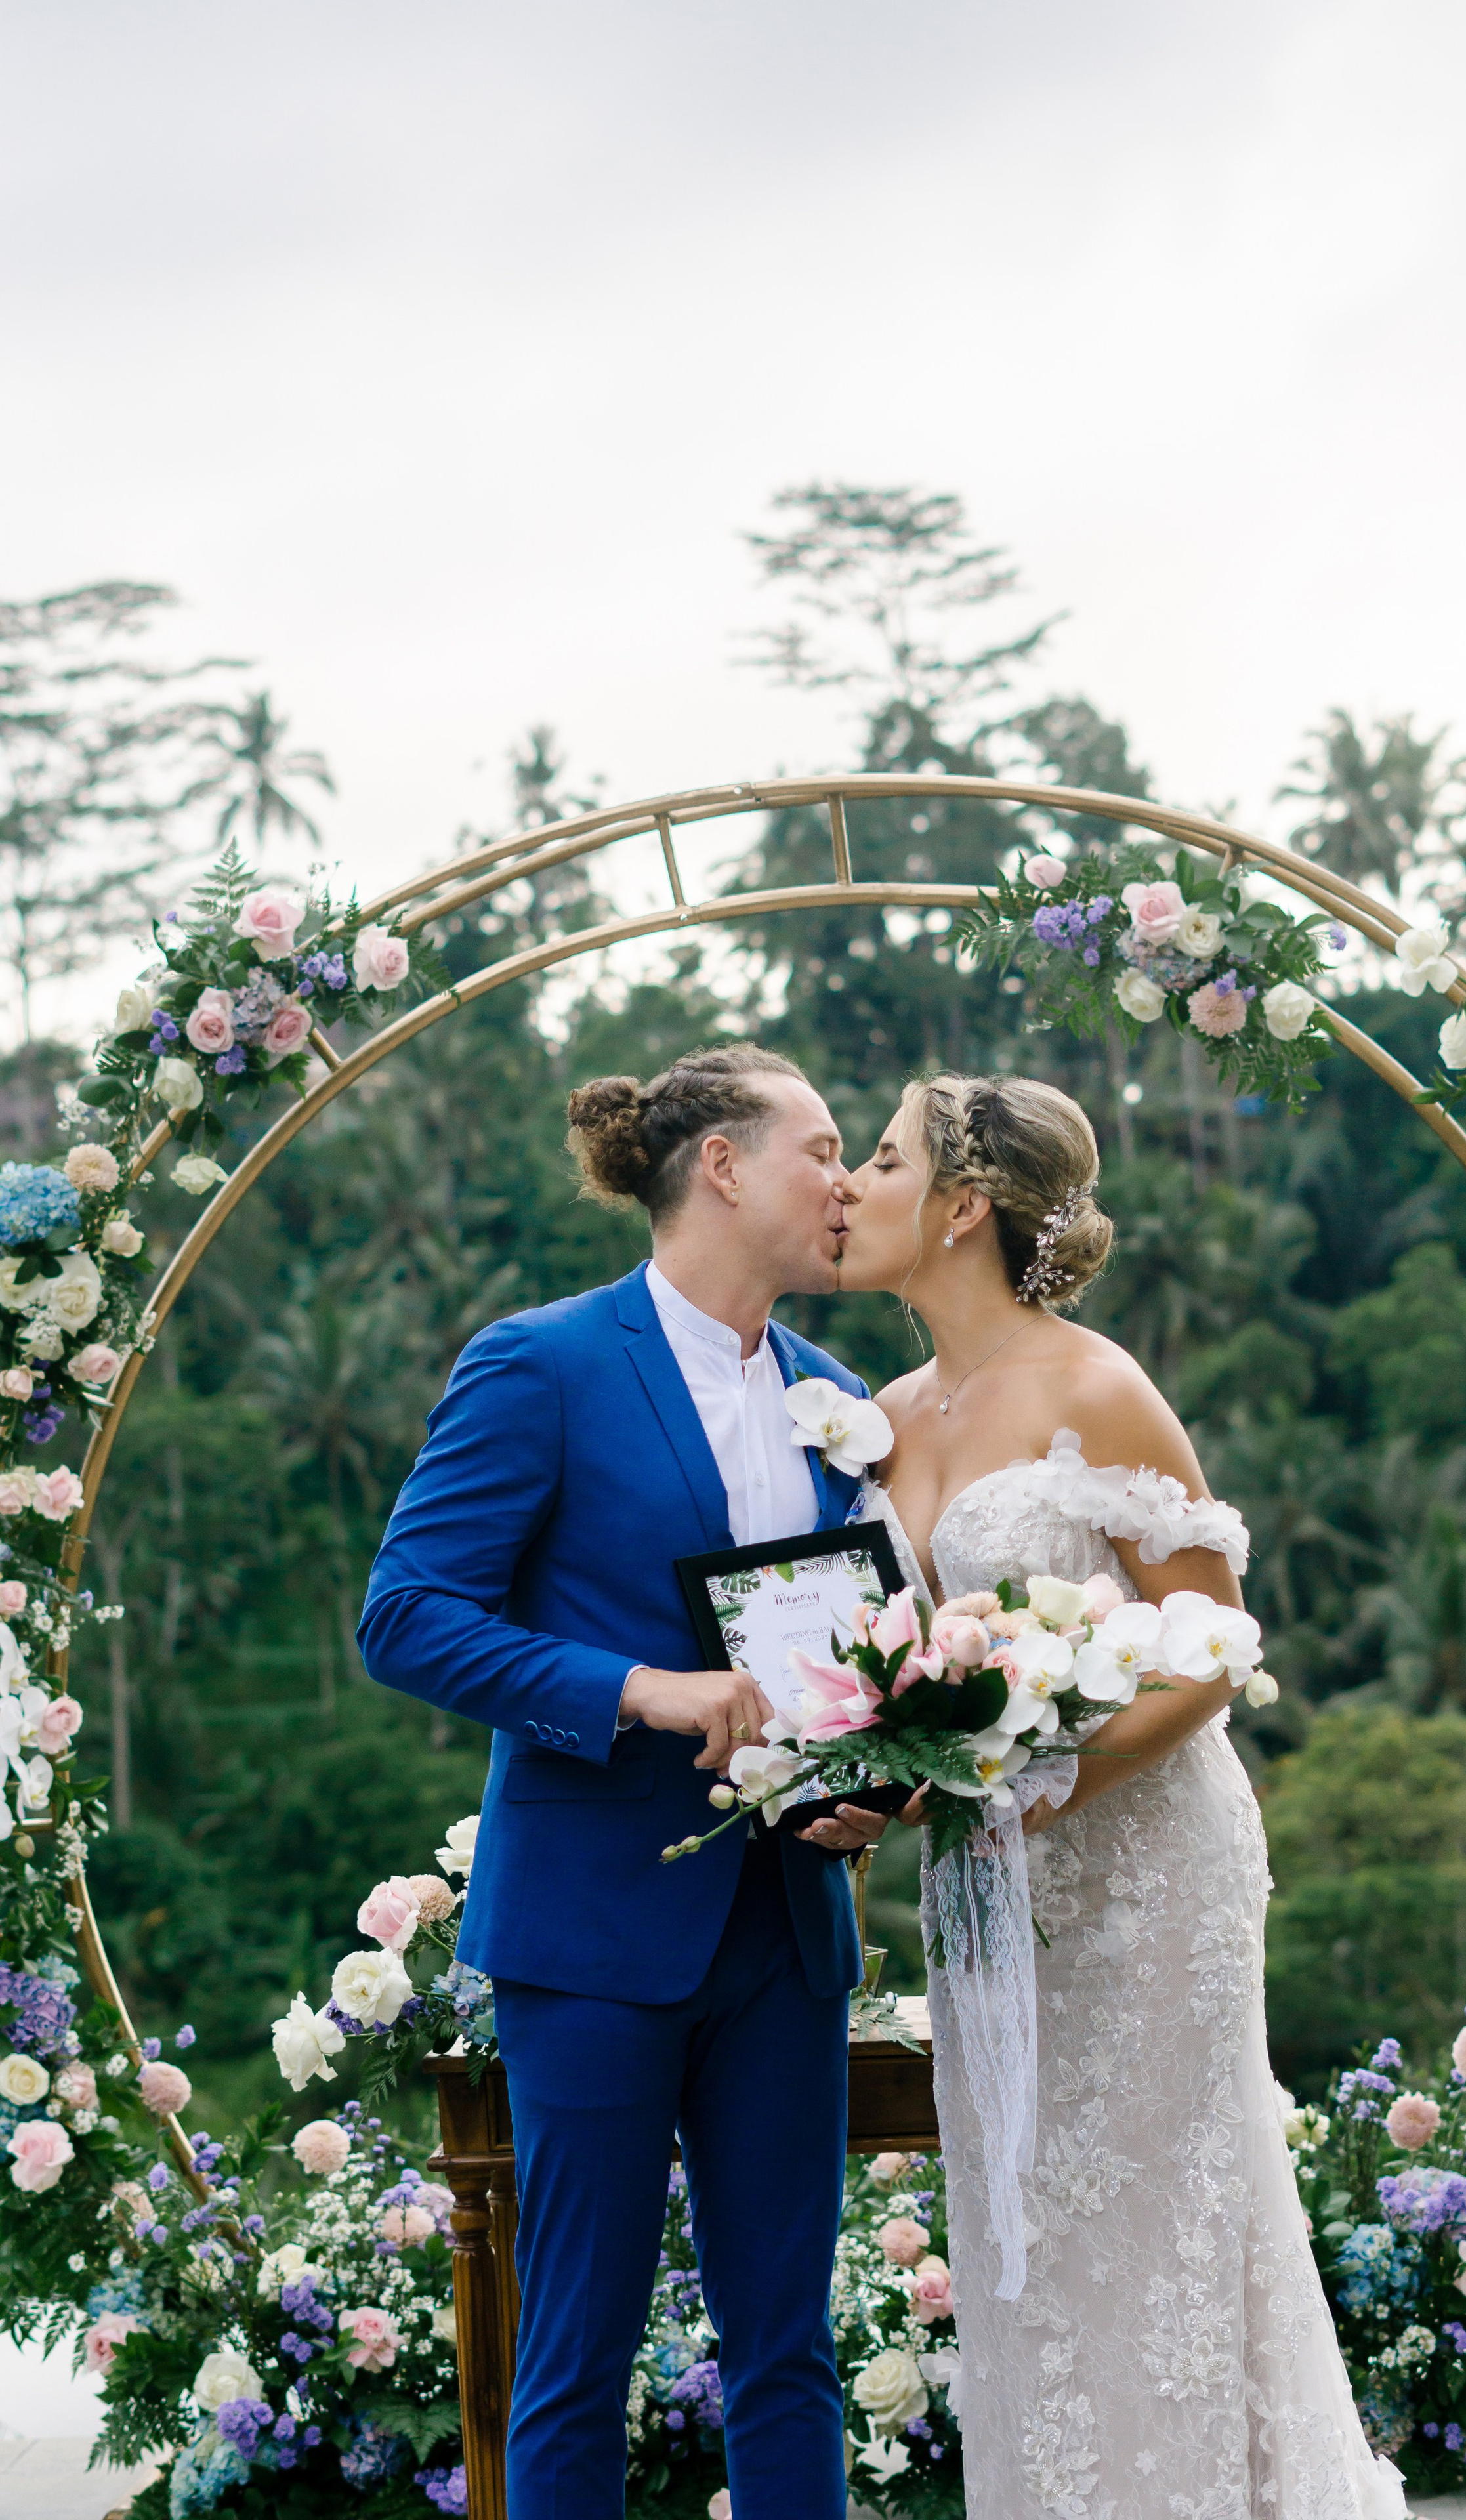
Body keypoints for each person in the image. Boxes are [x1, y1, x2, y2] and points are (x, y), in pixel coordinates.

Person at [826, 1072, 1406, 2520]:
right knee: (1021, 2231)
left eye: (881, 1160)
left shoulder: (1097, 1385)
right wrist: (890, 1785)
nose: (850, 1185)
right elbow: (895, 1682)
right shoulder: (878, 1416)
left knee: (1161, 2221)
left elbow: (1213, 1651)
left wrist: (1046, 1779)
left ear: (961, 1206)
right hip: (984, 1892)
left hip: (1145, 1878)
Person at [358, 1044, 883, 2520]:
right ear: (719, 1164)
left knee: (791, 2350)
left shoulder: (838, 1397)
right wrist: (641, 1692)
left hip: (786, 1933)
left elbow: (863, 1668)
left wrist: (876, 1788)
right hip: (589, 1936)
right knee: (574, 2352)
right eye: (820, 1148)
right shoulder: (542, 1362)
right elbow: (405, 1615)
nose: (844, 1181)